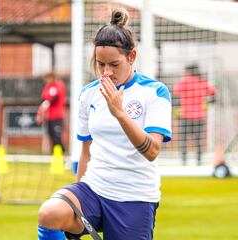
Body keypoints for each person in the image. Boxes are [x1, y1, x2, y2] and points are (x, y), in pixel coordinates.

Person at [37, 8, 172, 240]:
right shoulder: (88, 94)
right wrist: (77, 194)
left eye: (114, 64)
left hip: (135, 197)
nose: (106, 72)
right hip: (94, 189)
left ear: (132, 57)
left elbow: (152, 151)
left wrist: (119, 113)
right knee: (50, 213)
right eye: (101, 65)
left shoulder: (155, 92)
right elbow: (86, 151)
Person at [173, 64, 215, 166]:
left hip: (185, 115)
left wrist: (176, 111)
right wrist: (207, 104)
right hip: (199, 116)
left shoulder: (183, 81)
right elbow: (213, 93)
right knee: (198, 140)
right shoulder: (202, 82)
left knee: (183, 139)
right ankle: (199, 161)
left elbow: (175, 94)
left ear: (188, 71)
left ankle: (184, 161)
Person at [36, 72, 66, 153]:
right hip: (48, 117)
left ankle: (62, 156)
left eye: (48, 78)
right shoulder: (47, 87)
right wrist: (39, 114)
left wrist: (46, 104)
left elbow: (55, 98)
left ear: (52, 77)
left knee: (57, 137)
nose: (47, 81)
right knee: (51, 137)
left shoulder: (60, 85)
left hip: (57, 116)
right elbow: (43, 101)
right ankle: (55, 158)